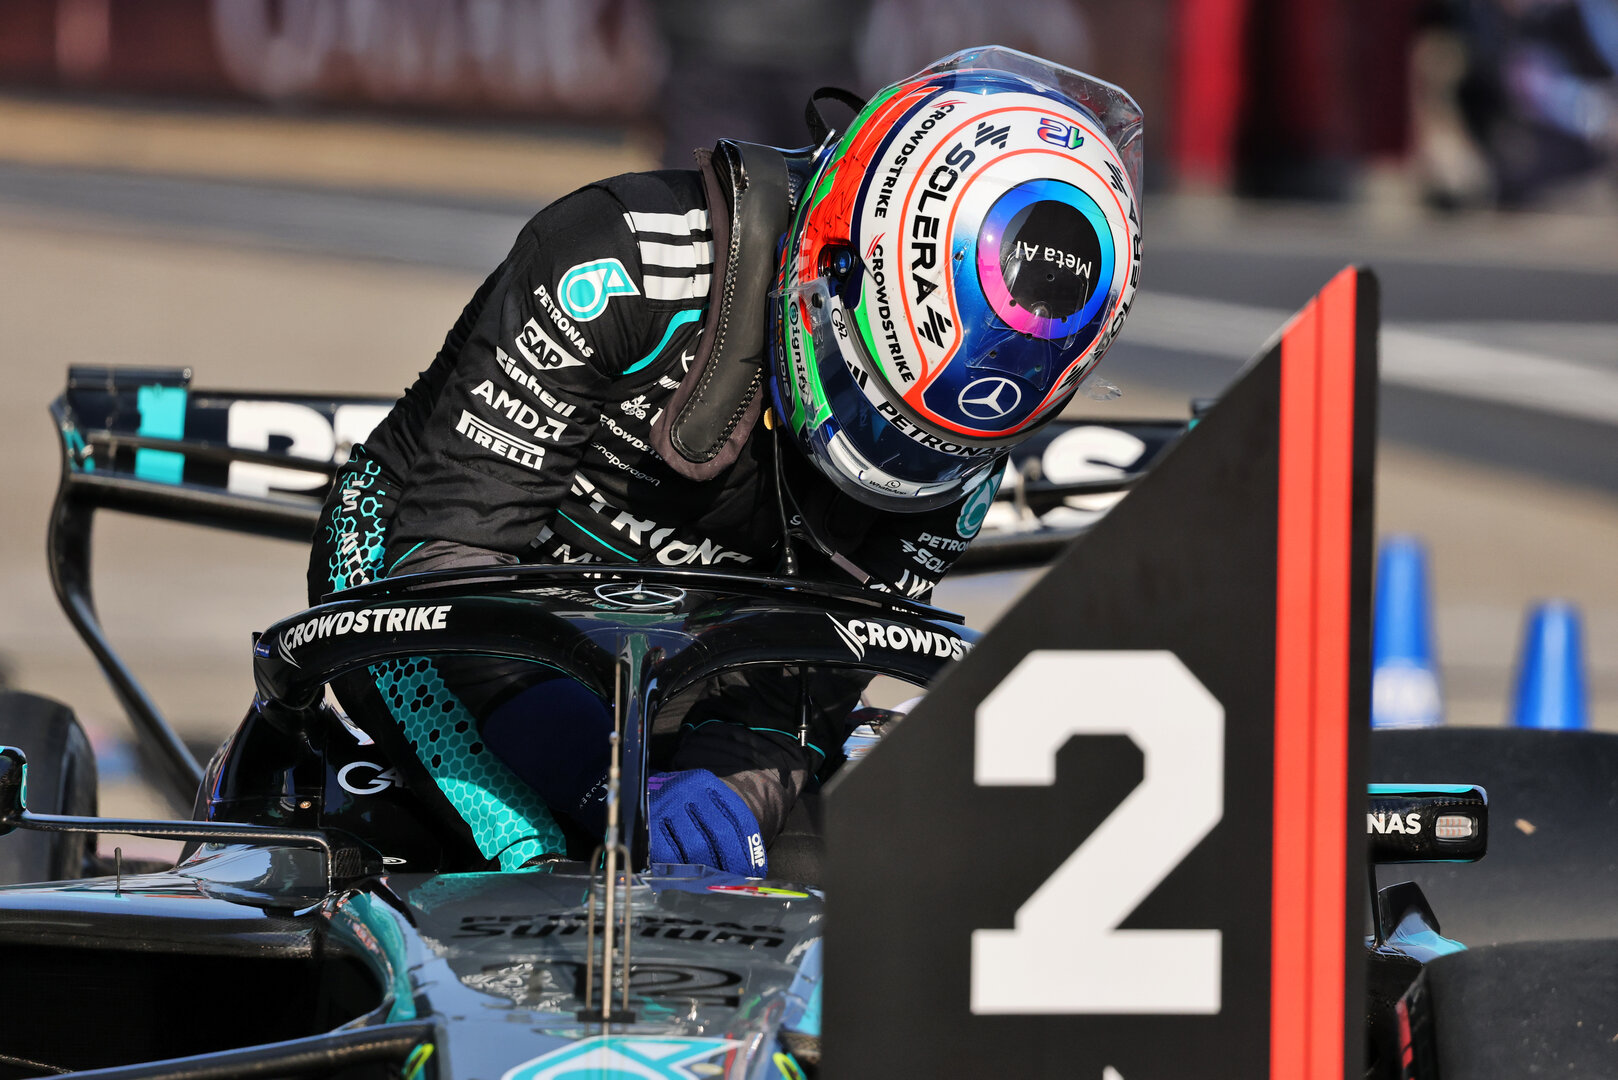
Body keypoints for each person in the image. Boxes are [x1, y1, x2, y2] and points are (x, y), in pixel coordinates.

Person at [307, 46, 1143, 875]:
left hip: (701, 663)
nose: (896, 453)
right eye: (873, 397)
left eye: (925, 438)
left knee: (837, 876)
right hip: (417, 581)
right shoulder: (615, 262)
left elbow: (803, 690)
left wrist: (727, 799)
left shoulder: (969, 440)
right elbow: (448, 563)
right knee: (533, 850)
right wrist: (615, 789)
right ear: (831, 260)